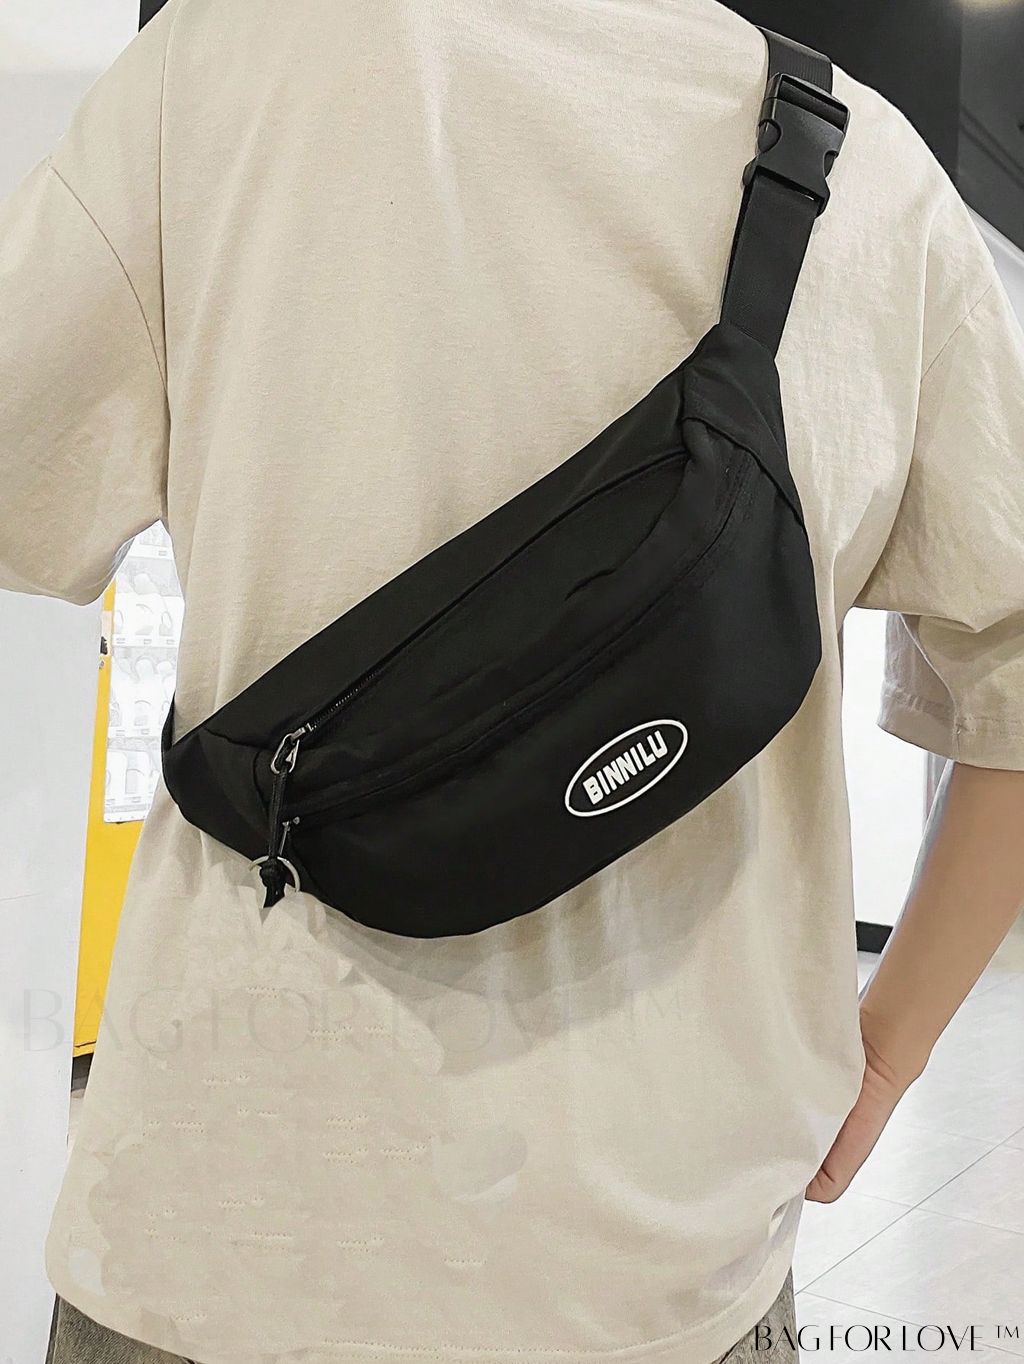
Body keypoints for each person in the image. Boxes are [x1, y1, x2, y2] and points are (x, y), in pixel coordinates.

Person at [3, 0, 1024, 1361]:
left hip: (224, 1217)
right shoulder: (881, 182)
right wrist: (888, 1046)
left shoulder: (223, 56)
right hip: (673, 1253)